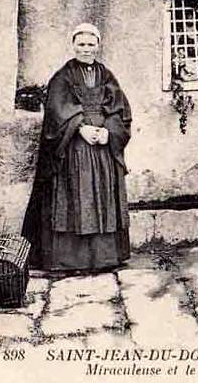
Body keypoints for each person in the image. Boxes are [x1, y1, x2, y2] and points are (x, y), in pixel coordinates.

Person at [22, 23, 132, 273]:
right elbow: (56, 110)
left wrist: (108, 132)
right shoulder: (63, 76)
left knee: (102, 197)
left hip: (102, 148)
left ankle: (104, 258)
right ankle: (71, 260)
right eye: (81, 44)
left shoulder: (106, 76)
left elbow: (120, 109)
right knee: (75, 197)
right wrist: (80, 127)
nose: (86, 49)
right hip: (74, 148)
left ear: (98, 46)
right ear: (73, 46)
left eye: (90, 44)